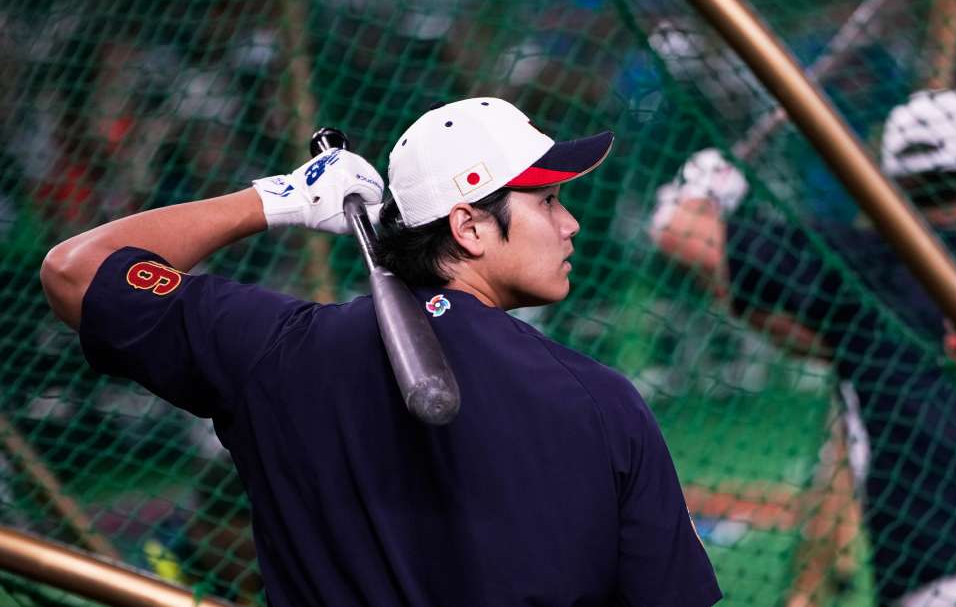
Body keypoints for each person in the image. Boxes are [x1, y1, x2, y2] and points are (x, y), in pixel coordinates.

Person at [41, 97, 721, 606]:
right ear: (470, 226)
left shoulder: (281, 351)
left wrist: (278, 200)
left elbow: (76, 269)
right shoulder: (602, 401)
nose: (571, 223)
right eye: (546, 201)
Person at [649, 89, 956, 607]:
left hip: (950, 579)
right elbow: (841, 345)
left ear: (889, 184)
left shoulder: (870, 266)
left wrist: (703, 189)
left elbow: (681, 235)